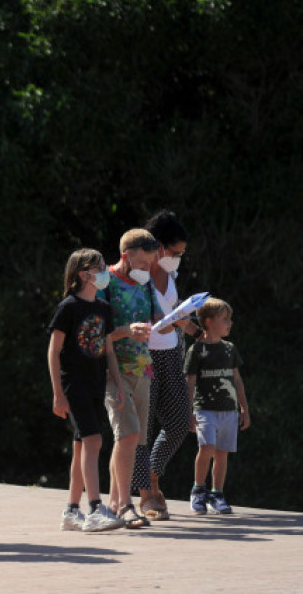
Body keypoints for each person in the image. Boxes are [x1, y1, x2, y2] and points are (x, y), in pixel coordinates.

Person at [48, 248, 127, 532]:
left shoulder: (103, 309)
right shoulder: (68, 307)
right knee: (94, 442)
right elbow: (53, 351)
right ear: (84, 274)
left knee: (82, 445)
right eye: (100, 267)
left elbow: (109, 352)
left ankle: (71, 510)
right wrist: (58, 393)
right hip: (75, 385)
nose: (105, 272)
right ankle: (95, 508)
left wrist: (117, 385)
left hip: (96, 384)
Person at [99, 228, 164, 529]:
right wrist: (126, 331)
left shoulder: (147, 284)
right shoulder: (105, 283)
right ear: (125, 256)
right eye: (141, 264)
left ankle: (114, 502)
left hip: (143, 369)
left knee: (134, 438)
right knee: (126, 435)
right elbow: (92, 336)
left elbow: (157, 321)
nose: (146, 270)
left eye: (150, 265)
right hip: (114, 370)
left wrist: (175, 321)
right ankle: (125, 504)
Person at [139, 210, 198, 520]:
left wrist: (193, 327)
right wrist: (156, 324)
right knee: (143, 427)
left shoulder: (171, 274)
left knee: (179, 422)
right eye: (175, 252)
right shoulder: (138, 273)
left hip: (171, 353)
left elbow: (173, 311)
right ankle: (147, 494)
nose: (178, 258)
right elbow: (128, 314)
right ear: (159, 247)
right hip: (142, 356)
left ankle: (151, 473)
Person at [185, 298, 250, 515]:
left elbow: (238, 380)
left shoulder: (230, 349)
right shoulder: (196, 350)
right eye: (225, 319)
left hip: (229, 410)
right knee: (207, 447)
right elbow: (190, 382)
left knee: (222, 453)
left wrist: (244, 408)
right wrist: (189, 411)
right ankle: (198, 490)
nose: (230, 323)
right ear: (209, 321)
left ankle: (217, 494)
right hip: (204, 408)